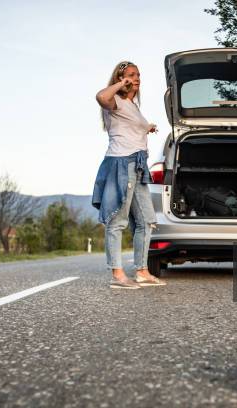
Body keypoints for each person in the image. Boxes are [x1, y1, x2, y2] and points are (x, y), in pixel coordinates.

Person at [92, 61, 167, 289]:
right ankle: (117, 274)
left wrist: (148, 127)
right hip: (121, 164)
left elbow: (131, 127)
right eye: (131, 75)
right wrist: (120, 84)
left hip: (138, 165)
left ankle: (142, 271)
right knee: (117, 221)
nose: (136, 78)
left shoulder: (132, 105)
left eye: (138, 75)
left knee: (146, 221)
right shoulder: (114, 101)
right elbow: (100, 97)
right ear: (120, 78)